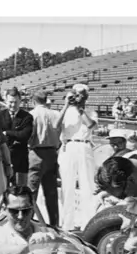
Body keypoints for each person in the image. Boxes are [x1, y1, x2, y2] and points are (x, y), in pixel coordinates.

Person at [54, 83, 99, 231]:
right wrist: (66, 105)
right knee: (67, 186)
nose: (77, 97)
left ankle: (88, 221)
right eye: (75, 94)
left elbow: (90, 125)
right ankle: (67, 223)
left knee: (87, 184)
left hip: (84, 146)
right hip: (69, 146)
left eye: (80, 94)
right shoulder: (66, 111)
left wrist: (81, 109)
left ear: (86, 96)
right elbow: (55, 125)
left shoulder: (90, 112)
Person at [27, 90, 63, 227]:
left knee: (32, 192)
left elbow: (29, 136)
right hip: (52, 153)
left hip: (36, 153)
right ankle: (55, 224)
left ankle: (29, 222)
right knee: (51, 193)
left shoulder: (31, 115)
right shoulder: (55, 114)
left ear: (33, 101)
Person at [2, 87, 33, 187]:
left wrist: (7, 133)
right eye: (10, 102)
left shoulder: (27, 117)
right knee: (3, 190)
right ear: (6, 101)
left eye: (15, 102)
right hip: (3, 159)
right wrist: (16, 135)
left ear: (20, 101)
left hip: (20, 159)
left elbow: (24, 136)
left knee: (21, 190)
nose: (13, 105)